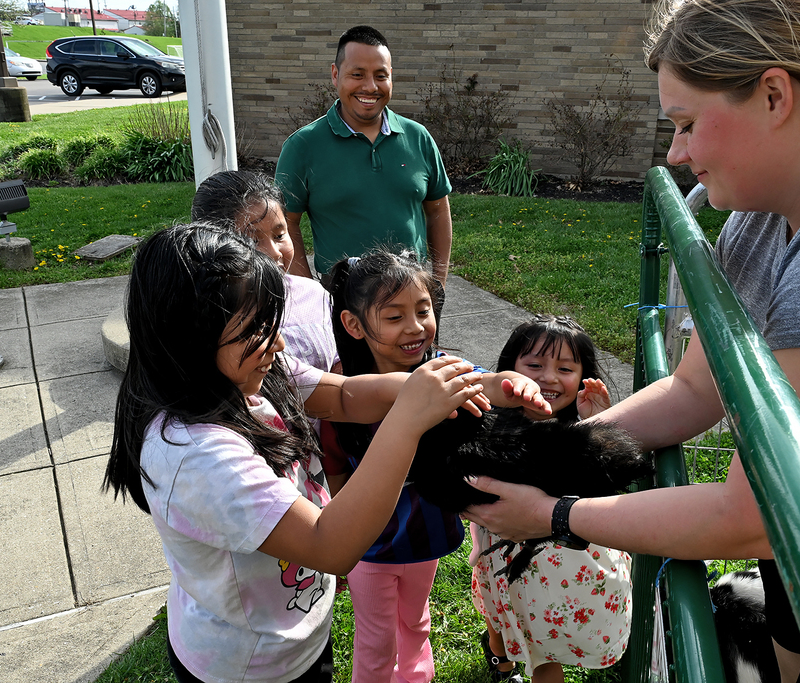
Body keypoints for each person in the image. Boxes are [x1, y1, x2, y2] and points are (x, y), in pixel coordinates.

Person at [463, 1, 800, 681]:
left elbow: (752, 514)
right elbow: (694, 387)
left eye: (687, 124)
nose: (675, 152)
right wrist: (555, 453)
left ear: (774, 95)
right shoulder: (770, 208)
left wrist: (556, 512)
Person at [103, 224, 487, 683]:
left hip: (295, 631)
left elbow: (344, 396)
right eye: (256, 331)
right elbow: (330, 545)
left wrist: (462, 386)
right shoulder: (197, 455)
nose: (279, 344)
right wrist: (407, 421)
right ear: (190, 337)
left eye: (273, 326)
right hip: (248, 665)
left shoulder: (253, 374)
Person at [319, 249, 552, 683]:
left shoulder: (440, 369)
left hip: (424, 535)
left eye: (423, 310)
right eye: (394, 317)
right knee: (375, 641)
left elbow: (480, 382)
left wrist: (514, 384)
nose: (415, 327)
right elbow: (335, 466)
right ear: (354, 325)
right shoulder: (345, 391)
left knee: (416, 622)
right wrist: (338, 541)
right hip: (369, 547)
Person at [472, 315, 632, 683]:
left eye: (564, 368)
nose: (547, 377)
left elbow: (608, 485)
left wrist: (598, 425)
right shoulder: (488, 425)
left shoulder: (578, 431)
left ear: (582, 377)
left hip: (574, 565)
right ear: (510, 368)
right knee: (513, 628)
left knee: (538, 637)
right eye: (534, 365)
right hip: (509, 560)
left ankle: (501, 652)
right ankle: (500, 659)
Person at [275, 25, 453, 287]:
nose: (370, 87)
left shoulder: (418, 137)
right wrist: (311, 292)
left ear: (391, 76)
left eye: (381, 75)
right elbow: (285, 224)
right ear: (335, 75)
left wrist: (438, 286)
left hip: (411, 291)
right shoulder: (303, 146)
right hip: (341, 295)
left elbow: (438, 209)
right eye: (357, 74)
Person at [191, 169, 339, 373]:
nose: (274, 252)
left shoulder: (316, 296)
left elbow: (341, 361)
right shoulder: (212, 314)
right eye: (252, 241)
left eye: (279, 235)